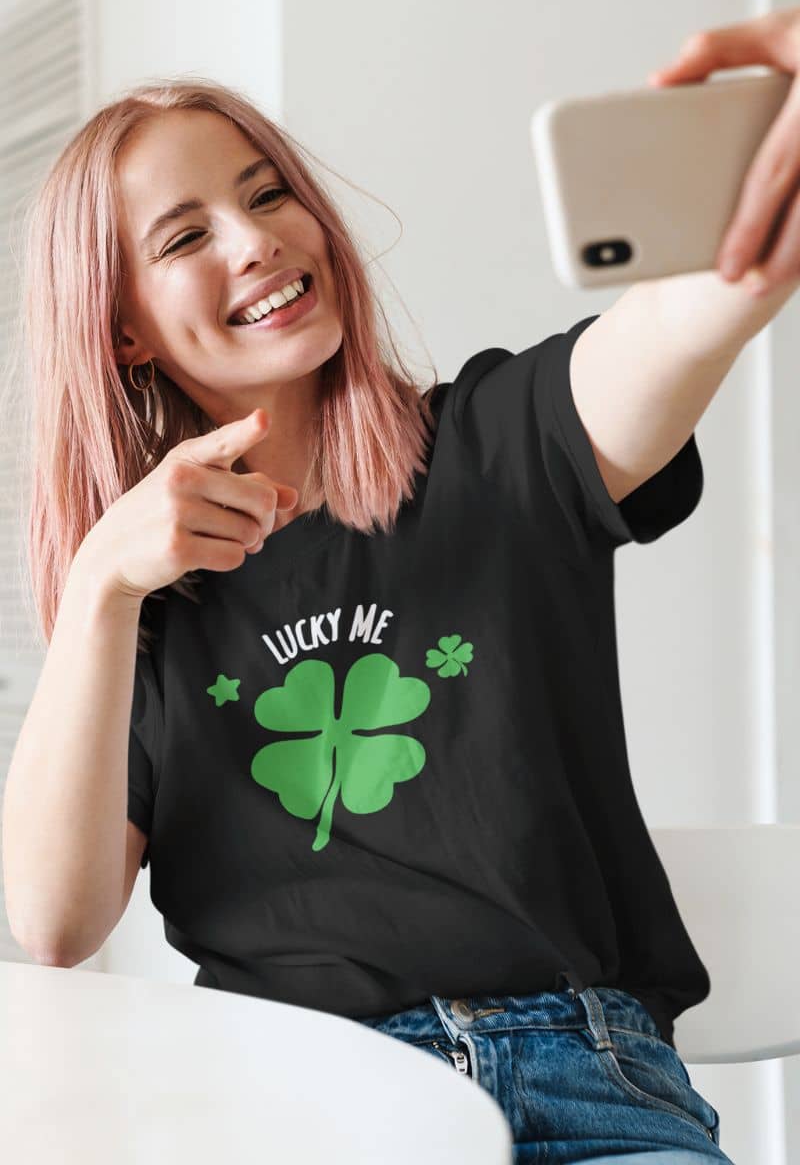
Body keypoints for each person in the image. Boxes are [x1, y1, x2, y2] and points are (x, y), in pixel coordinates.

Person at [7, 75, 769, 1164]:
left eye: (268, 195)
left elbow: (694, 306)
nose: (256, 239)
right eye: (186, 235)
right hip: (297, 1108)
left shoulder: (501, 444)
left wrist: (759, 179)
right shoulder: (148, 620)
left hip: (584, 1086)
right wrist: (98, 588)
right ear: (122, 330)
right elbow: (53, 922)